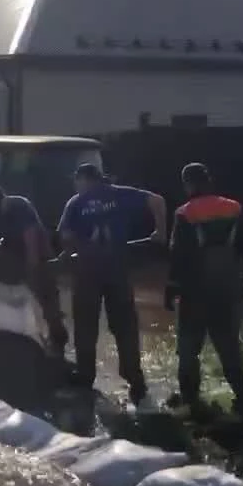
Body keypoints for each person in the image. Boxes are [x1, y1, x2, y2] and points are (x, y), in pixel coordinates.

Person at [57, 163, 167, 406]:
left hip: (88, 271)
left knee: (86, 325)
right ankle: (136, 383)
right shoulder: (120, 194)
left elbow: (65, 235)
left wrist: (68, 253)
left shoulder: (76, 202)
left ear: (84, 180)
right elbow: (157, 200)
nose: (76, 185)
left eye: (77, 181)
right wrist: (160, 231)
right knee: (125, 326)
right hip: (117, 268)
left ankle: (85, 378)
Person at [164, 163, 243, 422]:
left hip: (194, 293)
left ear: (189, 184)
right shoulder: (234, 208)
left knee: (188, 350)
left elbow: (178, 256)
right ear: (209, 181)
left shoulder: (185, 213)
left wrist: (170, 287)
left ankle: (191, 401)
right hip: (226, 289)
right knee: (229, 346)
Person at [0, 183, 69, 359]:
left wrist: (32, 268)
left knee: (45, 291)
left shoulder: (19, 205)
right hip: (10, 254)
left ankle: (57, 336)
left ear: (4, 199)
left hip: (36, 253)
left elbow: (30, 237)